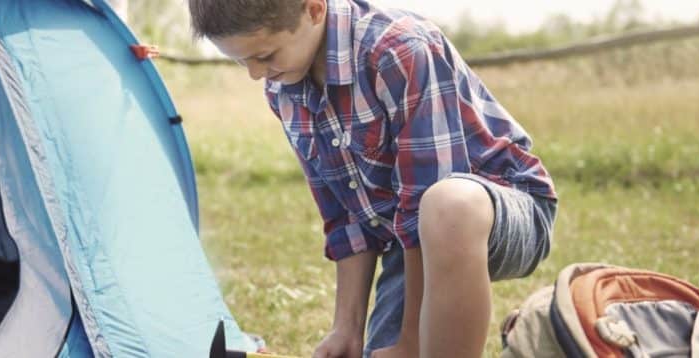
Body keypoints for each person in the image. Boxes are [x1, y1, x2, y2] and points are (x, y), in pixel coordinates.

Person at [186, 0, 558, 357]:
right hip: (406, 242)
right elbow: (347, 218)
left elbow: (425, 196)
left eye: (264, 56)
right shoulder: (283, 86)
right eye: (241, 61)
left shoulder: (398, 49)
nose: (255, 74)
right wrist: (346, 328)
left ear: (314, 9)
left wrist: (412, 340)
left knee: (445, 205)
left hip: (498, 210)